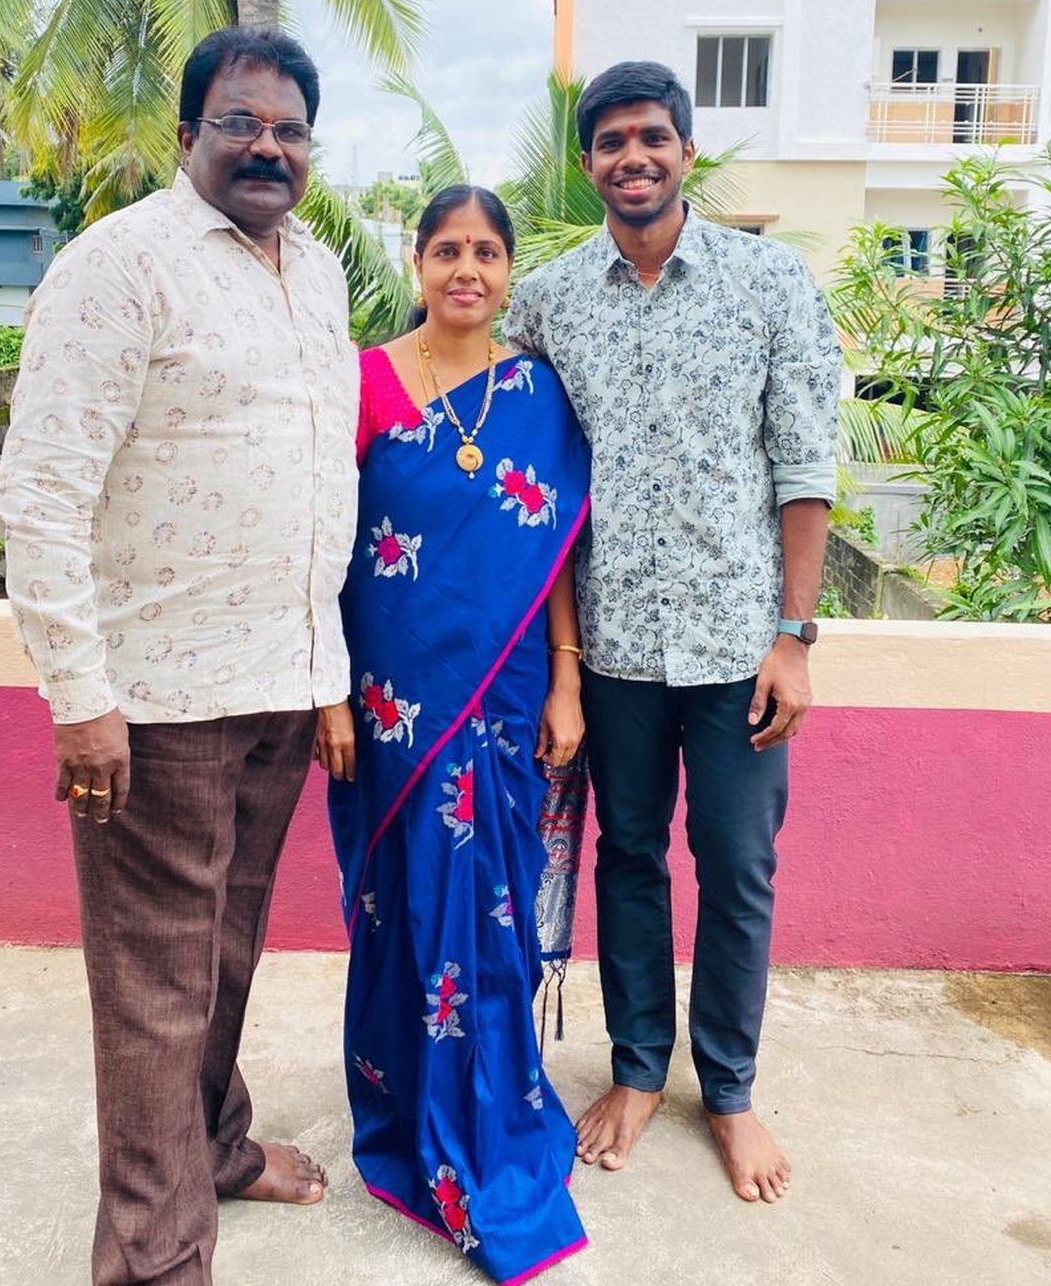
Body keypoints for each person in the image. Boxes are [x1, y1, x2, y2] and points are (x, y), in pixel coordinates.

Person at [0, 26, 360, 1285]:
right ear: (189, 130)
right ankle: (155, 1262)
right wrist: (80, 700)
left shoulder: (315, 271)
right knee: (155, 992)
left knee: (227, 951)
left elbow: (322, 474)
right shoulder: (120, 265)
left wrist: (327, 675)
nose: (268, 145)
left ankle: (214, 1143)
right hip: (151, 701)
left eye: (290, 129)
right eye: (242, 122)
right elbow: (40, 493)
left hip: (279, 681)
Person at [506, 61, 840, 1205]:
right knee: (631, 858)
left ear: (686, 151)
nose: (632, 158)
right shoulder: (547, 300)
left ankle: (732, 1088)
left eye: (653, 137)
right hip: (612, 653)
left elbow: (803, 469)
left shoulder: (769, 280)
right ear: (588, 160)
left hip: (741, 647)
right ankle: (640, 1069)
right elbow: (523, 474)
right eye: (610, 142)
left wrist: (794, 634)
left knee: (739, 869)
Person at [323, 186, 591, 1284]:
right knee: (411, 890)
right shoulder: (366, 379)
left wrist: (568, 681)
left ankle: (496, 1105)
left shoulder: (535, 391)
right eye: (447, 250)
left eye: (486, 251)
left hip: (512, 682)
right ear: (417, 259)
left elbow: (555, 548)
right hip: (396, 695)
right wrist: (330, 692)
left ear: (508, 268)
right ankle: (412, 1107)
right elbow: (323, 541)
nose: (466, 269)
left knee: (493, 895)